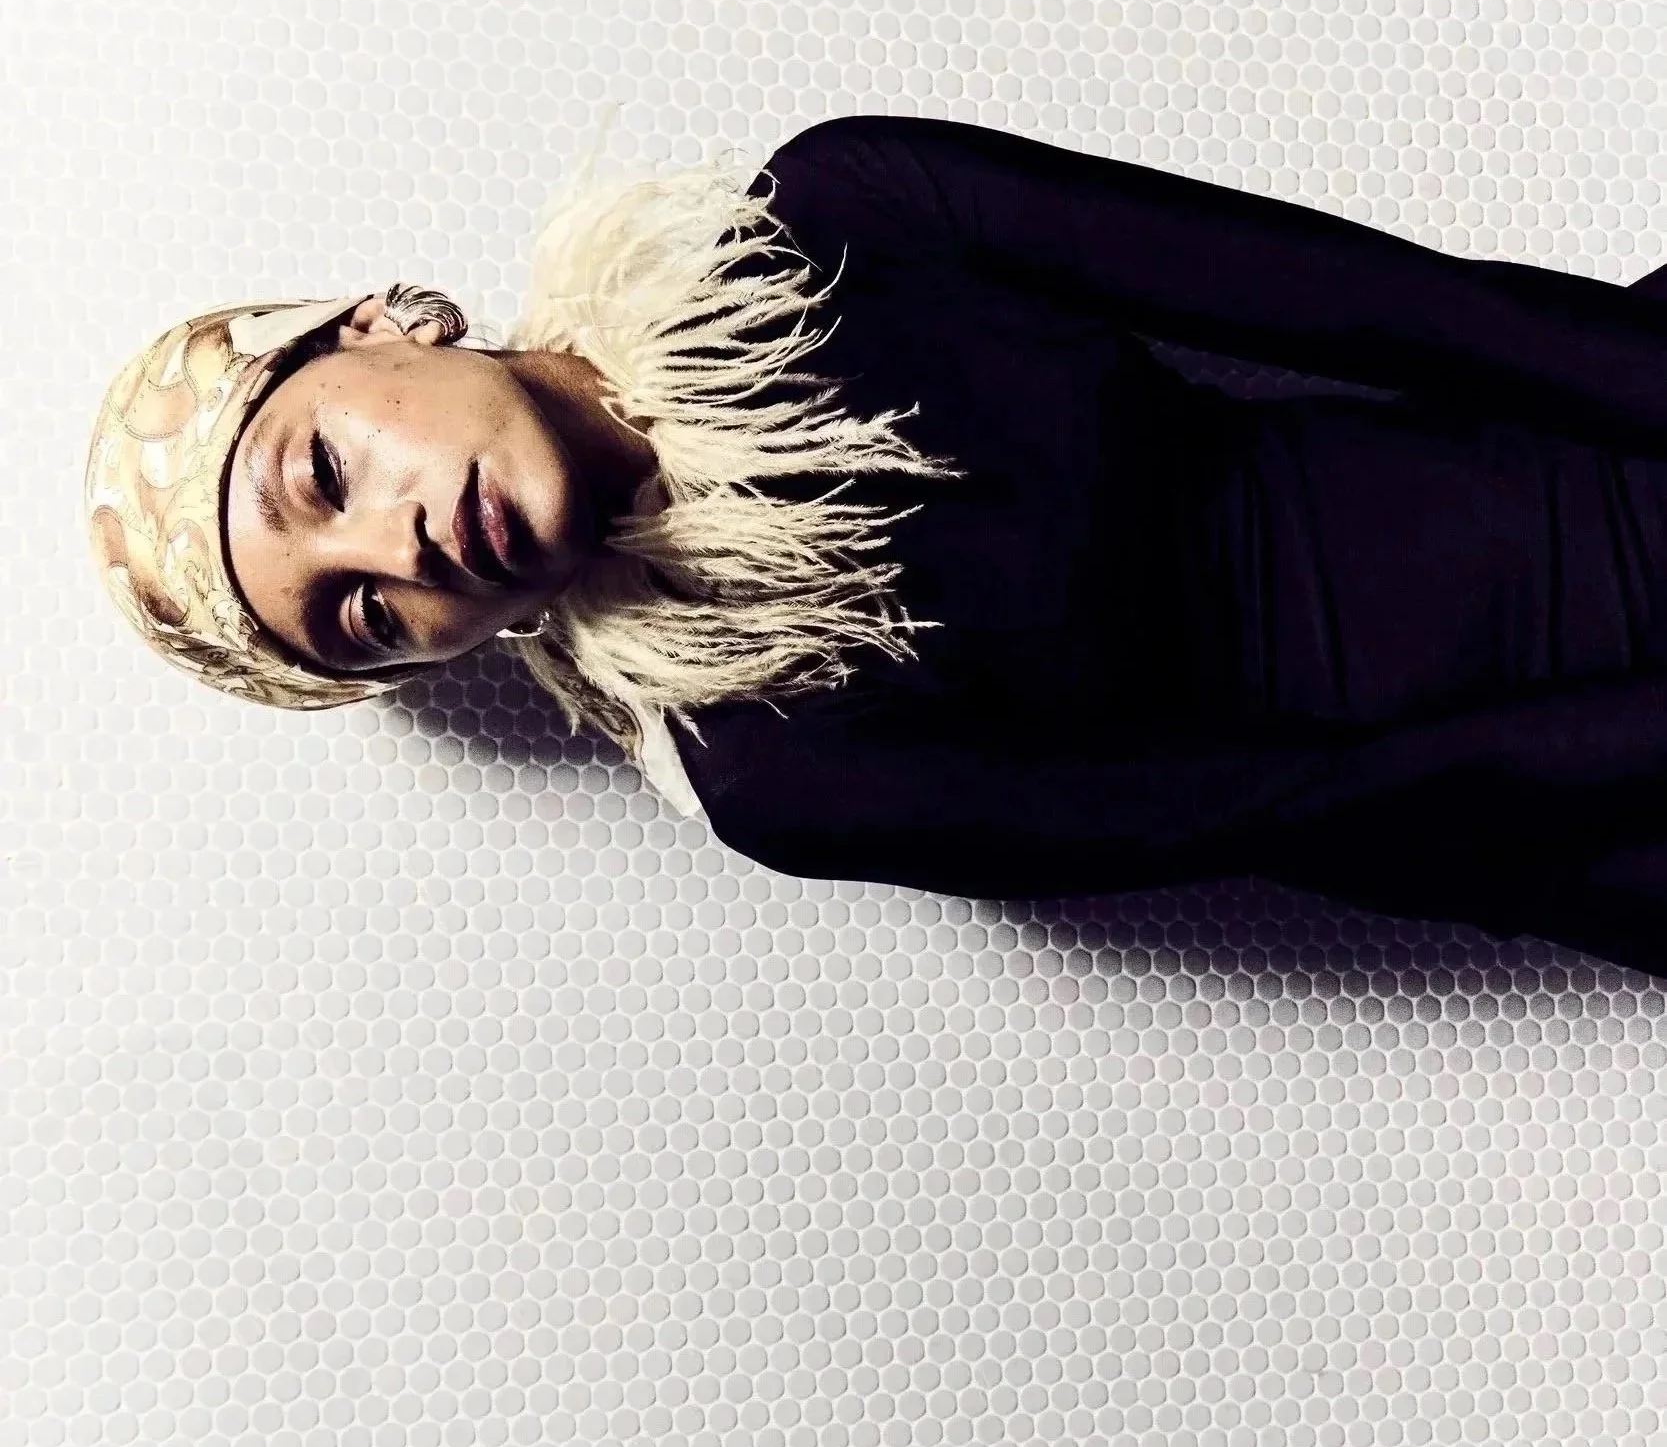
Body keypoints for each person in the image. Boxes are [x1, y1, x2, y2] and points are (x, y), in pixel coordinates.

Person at [84, 112, 1667, 979]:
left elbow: (1379, 301)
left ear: (380, 322)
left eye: (324, 471)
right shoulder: (768, 763)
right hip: (1561, 789)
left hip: (1585, 442)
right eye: (361, 618)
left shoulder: (834, 217)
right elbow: (1308, 806)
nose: (404, 551)